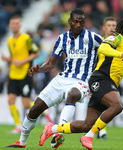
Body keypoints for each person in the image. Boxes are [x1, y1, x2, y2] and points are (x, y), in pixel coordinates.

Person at [5, 8, 103, 148]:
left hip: (82, 80)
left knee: (73, 94)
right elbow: (51, 63)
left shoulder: (93, 37)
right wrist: (39, 69)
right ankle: (21, 142)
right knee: (35, 109)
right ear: (69, 21)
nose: (78, 25)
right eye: (75, 21)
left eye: (81, 22)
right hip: (62, 78)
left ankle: (58, 133)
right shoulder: (62, 38)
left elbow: (108, 48)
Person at [39, 17, 123, 150]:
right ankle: (89, 136)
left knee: (86, 124)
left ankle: (51, 128)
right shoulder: (117, 37)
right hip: (101, 79)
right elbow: (103, 48)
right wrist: (121, 54)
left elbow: (122, 63)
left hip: (107, 83)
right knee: (117, 105)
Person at [1, 15, 39, 134]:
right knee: (10, 100)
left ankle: (44, 110)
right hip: (13, 74)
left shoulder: (26, 38)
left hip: (24, 74)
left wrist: (22, 61)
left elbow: (36, 53)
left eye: (17, 23)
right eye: (13, 23)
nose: (15, 25)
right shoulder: (9, 40)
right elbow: (14, 58)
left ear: (20, 25)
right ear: (10, 25)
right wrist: (8, 59)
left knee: (26, 103)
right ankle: (18, 125)